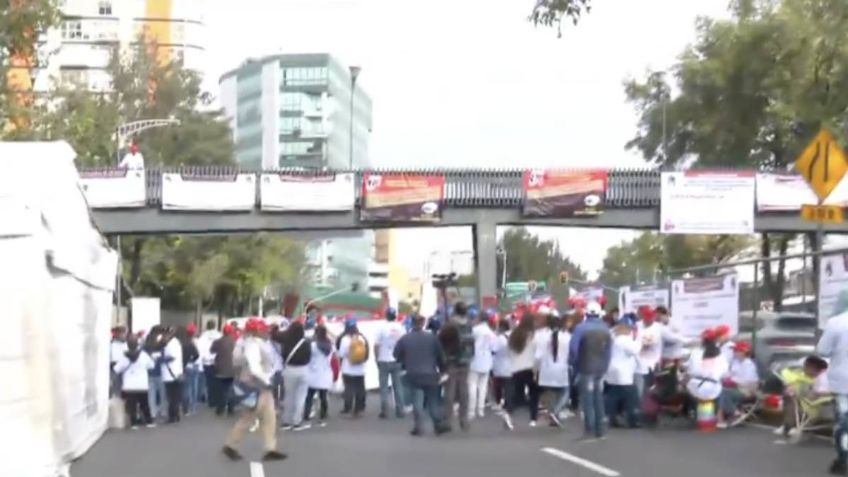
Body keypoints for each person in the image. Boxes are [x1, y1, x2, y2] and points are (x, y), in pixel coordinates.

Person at [222, 319, 287, 462]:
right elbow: (255, 368)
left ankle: (270, 448)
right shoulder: (253, 344)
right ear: (257, 331)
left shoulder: (243, 342)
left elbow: (236, 361)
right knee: (250, 417)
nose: (266, 332)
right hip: (257, 386)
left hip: (254, 385)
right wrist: (267, 381)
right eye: (264, 329)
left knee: (269, 417)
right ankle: (231, 445)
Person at [394, 314, 451, 436]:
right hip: (430, 373)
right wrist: (443, 370)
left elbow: (396, 354)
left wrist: (405, 362)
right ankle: (438, 424)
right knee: (433, 401)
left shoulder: (405, 339)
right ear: (423, 323)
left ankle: (419, 427)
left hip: (413, 374)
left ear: (412, 323)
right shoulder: (432, 338)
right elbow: (440, 356)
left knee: (417, 402)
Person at [569, 301, 613, 441]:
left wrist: (573, 365)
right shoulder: (606, 329)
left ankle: (589, 429)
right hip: (601, 368)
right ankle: (601, 430)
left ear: (586, 313)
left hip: (585, 367)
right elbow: (609, 351)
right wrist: (606, 366)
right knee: (598, 398)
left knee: (587, 400)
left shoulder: (580, 328)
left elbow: (573, 349)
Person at [817, 308, 848, 475]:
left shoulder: (836, 322)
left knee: (844, 422)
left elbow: (823, 350)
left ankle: (843, 460)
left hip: (844, 381)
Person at [437, 302, 475, 431]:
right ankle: (464, 420)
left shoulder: (450, 324)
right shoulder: (469, 324)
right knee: (464, 390)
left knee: (450, 391)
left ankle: (448, 420)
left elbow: (441, 341)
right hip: (465, 360)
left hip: (451, 360)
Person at [774, 355, 829, 439]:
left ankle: (789, 426)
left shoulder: (822, 379)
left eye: (806, 368)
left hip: (812, 408)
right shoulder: (799, 375)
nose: (804, 370)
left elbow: (823, 393)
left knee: (794, 395)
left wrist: (811, 391)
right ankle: (788, 425)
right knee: (790, 395)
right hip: (805, 405)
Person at [501, 315, 539, 430]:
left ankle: (508, 413)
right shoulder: (533, 336)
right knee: (534, 395)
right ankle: (533, 418)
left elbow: (508, 352)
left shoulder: (513, 335)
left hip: (515, 369)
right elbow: (536, 353)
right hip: (529, 368)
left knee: (516, 396)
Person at [535, 311, 571, 428]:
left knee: (550, 393)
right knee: (565, 392)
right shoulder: (566, 337)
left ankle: (551, 413)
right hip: (561, 369)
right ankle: (555, 412)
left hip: (546, 370)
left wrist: (536, 369)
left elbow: (537, 356)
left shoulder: (541, 336)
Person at [604, 318, 641, 429]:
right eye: (629, 328)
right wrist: (639, 341)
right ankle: (632, 421)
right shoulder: (624, 339)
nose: (631, 330)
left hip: (613, 370)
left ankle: (612, 417)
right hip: (623, 373)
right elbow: (635, 350)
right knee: (631, 398)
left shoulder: (613, 337)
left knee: (613, 396)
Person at [113, 335, 156, 429]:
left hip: (129, 385)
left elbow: (117, 369)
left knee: (132, 405)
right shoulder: (144, 355)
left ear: (128, 345)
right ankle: (149, 421)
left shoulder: (124, 357)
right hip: (142, 384)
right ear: (137, 344)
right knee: (144, 404)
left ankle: (134, 423)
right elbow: (152, 365)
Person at [717, 341, 759, 428]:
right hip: (735, 387)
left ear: (743, 352)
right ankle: (723, 416)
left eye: (737, 351)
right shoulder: (735, 362)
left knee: (723, 392)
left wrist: (732, 380)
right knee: (719, 390)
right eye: (735, 350)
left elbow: (747, 381)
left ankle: (734, 413)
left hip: (747, 389)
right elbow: (729, 373)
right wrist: (722, 377)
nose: (734, 352)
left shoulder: (749, 364)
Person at [375, 306, 407, 419]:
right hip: (397, 360)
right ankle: (400, 410)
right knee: (398, 386)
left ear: (386, 315)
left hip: (384, 359)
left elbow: (377, 345)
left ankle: (385, 411)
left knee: (383, 387)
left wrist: (376, 358)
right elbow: (404, 345)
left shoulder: (382, 328)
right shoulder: (401, 328)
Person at [279, 321, 311, 431]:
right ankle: (297, 422)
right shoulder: (306, 343)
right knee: (301, 397)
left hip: (289, 370)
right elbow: (309, 357)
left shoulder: (286, 343)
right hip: (303, 370)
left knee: (289, 396)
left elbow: (282, 355)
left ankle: (286, 421)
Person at [685, 328, 729, 404]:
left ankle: (691, 411)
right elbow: (725, 373)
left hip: (695, 387)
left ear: (702, 340)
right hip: (714, 389)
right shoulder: (721, 355)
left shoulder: (695, 353)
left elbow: (690, 371)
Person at [468, 308, 496, 420]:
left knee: (472, 385)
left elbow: (468, 344)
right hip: (487, 360)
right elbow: (493, 348)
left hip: (474, 359)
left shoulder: (474, 330)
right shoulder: (491, 332)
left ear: (479, 318)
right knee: (483, 386)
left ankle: (471, 411)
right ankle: (481, 410)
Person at [304, 324, 335, 427]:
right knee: (323, 397)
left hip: (313, 373)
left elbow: (308, 358)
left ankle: (306, 414)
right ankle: (323, 414)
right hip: (325, 373)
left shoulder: (312, 346)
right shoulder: (330, 346)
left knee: (309, 396)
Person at [338, 318, 369, 418]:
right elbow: (366, 353)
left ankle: (348, 407)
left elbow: (341, 354)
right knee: (360, 388)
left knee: (349, 388)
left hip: (348, 368)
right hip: (360, 369)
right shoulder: (362, 338)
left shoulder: (345, 339)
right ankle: (359, 408)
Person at [635, 306, 663, 400]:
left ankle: (648, 409)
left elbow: (649, 343)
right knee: (639, 389)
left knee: (649, 388)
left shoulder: (658, 327)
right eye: (647, 318)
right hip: (638, 363)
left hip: (652, 363)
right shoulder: (637, 325)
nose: (649, 320)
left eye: (651, 318)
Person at [159, 326, 184, 423]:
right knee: (175, 397)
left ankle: (172, 416)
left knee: (172, 397)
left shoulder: (172, 344)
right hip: (175, 373)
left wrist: (160, 359)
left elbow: (172, 357)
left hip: (172, 374)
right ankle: (175, 415)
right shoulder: (173, 343)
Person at [211, 324, 237, 416]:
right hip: (232, 369)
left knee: (221, 390)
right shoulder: (234, 342)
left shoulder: (218, 341)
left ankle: (220, 409)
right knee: (231, 389)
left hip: (220, 369)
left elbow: (212, 350)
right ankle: (231, 408)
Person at [143, 326, 168, 422]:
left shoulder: (146, 345)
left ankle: (152, 412)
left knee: (151, 394)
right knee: (163, 393)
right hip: (161, 371)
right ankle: (163, 411)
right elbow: (164, 357)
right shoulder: (162, 344)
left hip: (149, 372)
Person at [196, 320, 221, 406]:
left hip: (206, 362)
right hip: (217, 362)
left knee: (207, 381)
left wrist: (204, 358)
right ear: (215, 326)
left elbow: (199, 349)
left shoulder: (203, 336)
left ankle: (207, 398)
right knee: (216, 381)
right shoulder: (219, 335)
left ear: (207, 326)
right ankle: (216, 398)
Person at [178, 325, 201, 416]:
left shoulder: (181, 343)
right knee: (194, 387)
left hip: (184, 367)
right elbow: (197, 355)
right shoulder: (193, 342)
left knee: (185, 388)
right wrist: (192, 359)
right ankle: (193, 407)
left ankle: (185, 408)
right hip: (193, 366)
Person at [491, 317, 512, 411]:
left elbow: (493, 350)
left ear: (501, 327)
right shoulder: (512, 336)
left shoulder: (499, 338)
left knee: (498, 386)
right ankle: (509, 403)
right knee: (508, 386)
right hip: (510, 365)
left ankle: (498, 402)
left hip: (499, 365)